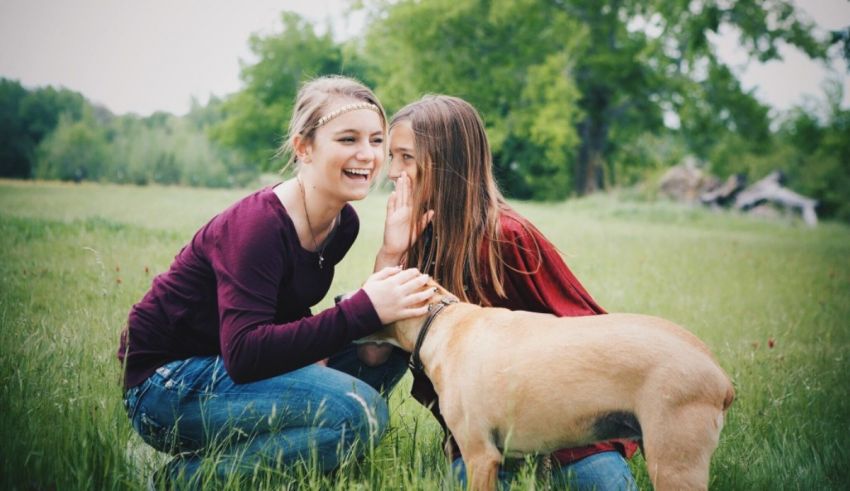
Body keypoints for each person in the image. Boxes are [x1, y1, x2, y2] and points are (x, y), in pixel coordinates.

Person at [117, 76, 430, 487]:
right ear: (304, 147)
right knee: (361, 413)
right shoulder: (258, 225)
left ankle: (313, 457)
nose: (367, 155)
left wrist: (391, 253)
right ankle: (181, 478)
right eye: (348, 139)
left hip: (232, 370)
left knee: (387, 345)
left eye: (376, 141)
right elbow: (245, 353)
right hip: (167, 386)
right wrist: (361, 309)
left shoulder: (342, 224)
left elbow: (288, 307)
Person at [370, 95, 639, 489]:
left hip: (568, 437)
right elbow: (373, 349)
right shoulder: (415, 240)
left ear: (447, 162)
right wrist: (392, 253)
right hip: (483, 441)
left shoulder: (508, 237)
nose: (393, 172)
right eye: (392, 157)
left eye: (406, 157)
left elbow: (590, 335)